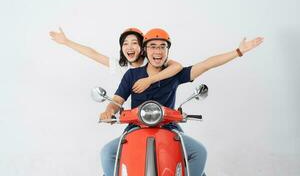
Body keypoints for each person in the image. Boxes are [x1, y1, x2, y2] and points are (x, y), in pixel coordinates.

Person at [99, 28, 264, 176]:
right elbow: (116, 101)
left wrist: (238, 51)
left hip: (169, 128)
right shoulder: (132, 75)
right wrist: (109, 111)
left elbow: (206, 64)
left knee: (199, 152)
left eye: (163, 46)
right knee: (107, 153)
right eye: (153, 46)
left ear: (167, 50)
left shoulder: (175, 74)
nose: (158, 51)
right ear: (145, 50)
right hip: (135, 127)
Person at [49, 27, 183, 93]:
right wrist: (66, 42)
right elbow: (93, 53)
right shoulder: (121, 66)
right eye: (125, 44)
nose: (129, 47)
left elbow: (177, 67)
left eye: (134, 43)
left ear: (143, 48)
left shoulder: (154, 61)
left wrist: (149, 80)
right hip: (134, 119)